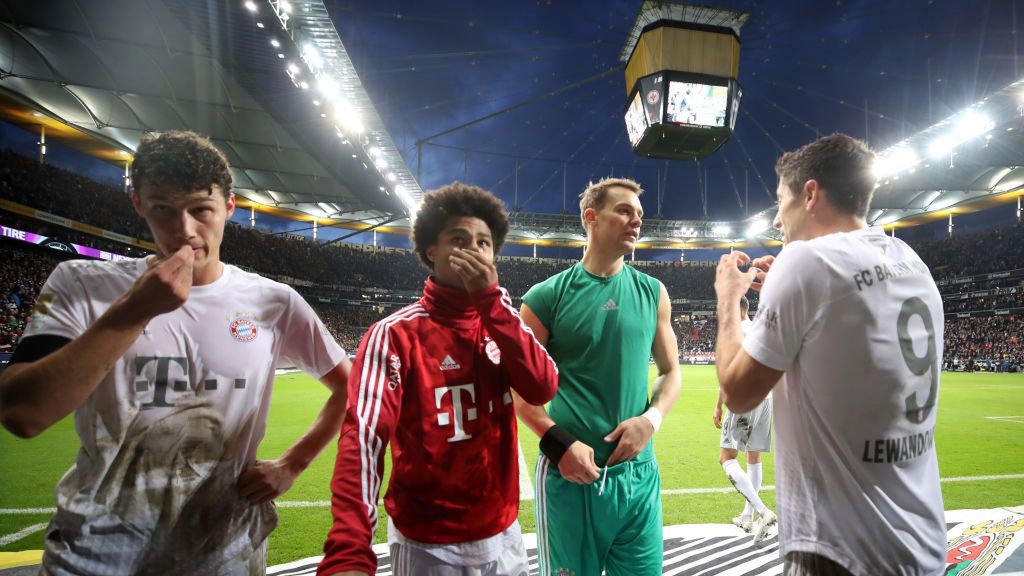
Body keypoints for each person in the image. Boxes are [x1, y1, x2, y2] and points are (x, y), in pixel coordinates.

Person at [0, 130, 351, 575]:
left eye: (201, 210)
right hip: (92, 558)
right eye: (163, 209)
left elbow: (351, 387)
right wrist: (135, 311)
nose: (184, 230)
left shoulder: (274, 301)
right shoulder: (82, 283)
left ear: (229, 208)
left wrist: (291, 465)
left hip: (225, 554)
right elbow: (22, 413)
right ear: (139, 205)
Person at [714, 133, 946, 575]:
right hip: (921, 539)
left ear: (810, 193)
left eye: (781, 201)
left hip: (842, 548)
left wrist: (728, 299)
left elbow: (739, 392)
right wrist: (783, 289)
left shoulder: (806, 262)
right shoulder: (910, 259)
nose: (778, 220)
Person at [318, 182, 558, 576]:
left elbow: (542, 386)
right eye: (459, 239)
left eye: (484, 243)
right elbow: (363, 438)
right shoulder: (395, 334)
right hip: (430, 547)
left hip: (505, 536)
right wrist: (348, 549)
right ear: (432, 250)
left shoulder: (502, 322)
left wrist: (492, 305)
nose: (474, 250)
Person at [515, 177, 681, 576]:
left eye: (639, 214)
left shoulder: (653, 292)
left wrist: (650, 420)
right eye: (624, 210)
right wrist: (559, 445)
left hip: (638, 475)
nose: (636, 221)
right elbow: (520, 393)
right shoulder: (545, 297)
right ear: (590, 217)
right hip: (570, 476)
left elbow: (671, 371)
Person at [713, 295, 776, 541]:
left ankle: (763, 511)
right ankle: (747, 516)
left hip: (743, 398)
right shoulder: (759, 329)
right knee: (753, 456)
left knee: (726, 458)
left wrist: (719, 405)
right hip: (766, 398)